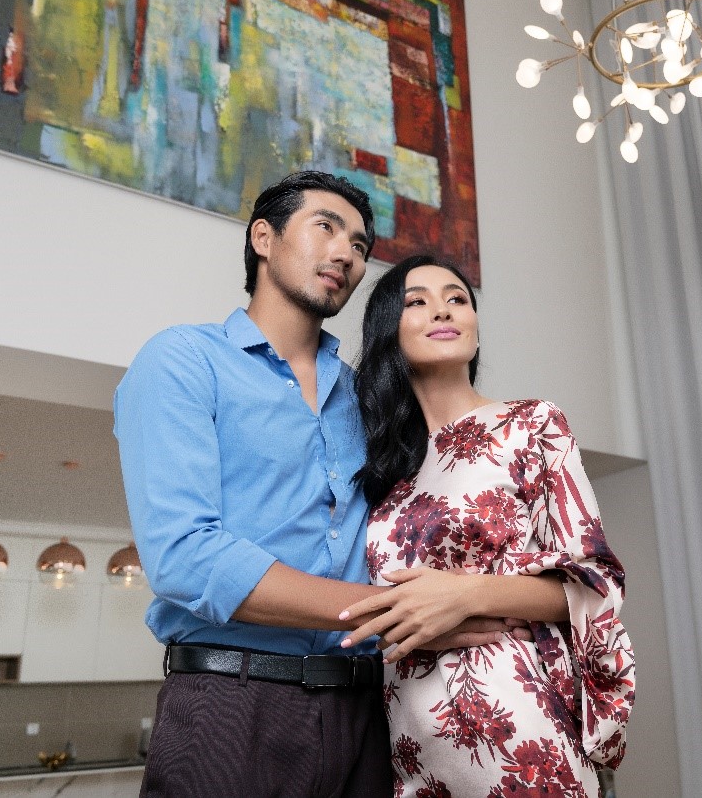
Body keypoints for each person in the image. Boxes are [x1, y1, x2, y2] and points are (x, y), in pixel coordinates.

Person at [114, 173, 507, 798]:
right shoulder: (183, 360)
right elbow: (185, 557)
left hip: (370, 711)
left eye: (360, 244)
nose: (346, 253)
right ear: (263, 238)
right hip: (232, 701)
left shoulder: (366, 397)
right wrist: (394, 611)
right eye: (325, 227)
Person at [338, 255, 636, 798]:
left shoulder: (532, 424)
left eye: (457, 298)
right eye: (417, 302)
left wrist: (466, 595)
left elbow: (596, 584)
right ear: (387, 331)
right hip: (412, 745)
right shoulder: (384, 470)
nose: (442, 310)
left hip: (520, 728)